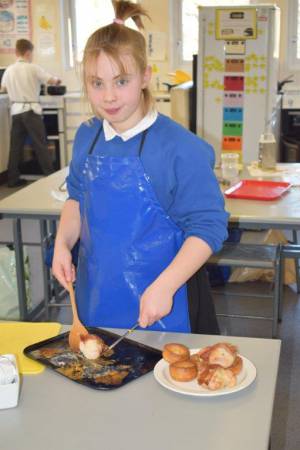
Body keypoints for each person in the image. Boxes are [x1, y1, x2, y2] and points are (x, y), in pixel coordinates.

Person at [52, 0, 229, 334]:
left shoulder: (180, 147)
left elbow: (208, 227)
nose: (108, 97)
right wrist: (63, 244)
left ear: (146, 76)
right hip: (96, 296)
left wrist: (166, 286)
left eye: (121, 81)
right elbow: (76, 199)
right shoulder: (88, 136)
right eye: (96, 83)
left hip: (166, 300)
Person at [1, 39, 60, 187]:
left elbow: (3, 89)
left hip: (16, 111)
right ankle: (50, 177)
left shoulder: (9, 70)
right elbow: (52, 81)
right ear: (28, 52)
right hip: (31, 111)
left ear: (17, 52)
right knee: (40, 144)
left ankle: (12, 179)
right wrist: (58, 80)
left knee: (15, 147)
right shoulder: (33, 68)